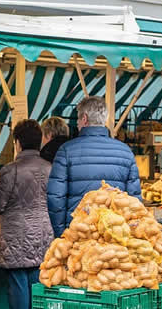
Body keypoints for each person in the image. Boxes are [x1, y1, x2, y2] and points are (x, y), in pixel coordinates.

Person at [0, 119, 54, 309]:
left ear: (17, 142)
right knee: (38, 280)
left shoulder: (10, 171)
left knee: (17, 280)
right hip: (44, 232)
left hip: (16, 233)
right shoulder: (50, 168)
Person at [47, 96, 141, 237]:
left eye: (78, 120)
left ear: (84, 119)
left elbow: (55, 199)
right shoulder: (125, 152)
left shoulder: (66, 151)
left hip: (78, 232)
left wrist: (62, 233)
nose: (78, 124)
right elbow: (135, 202)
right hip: (114, 236)